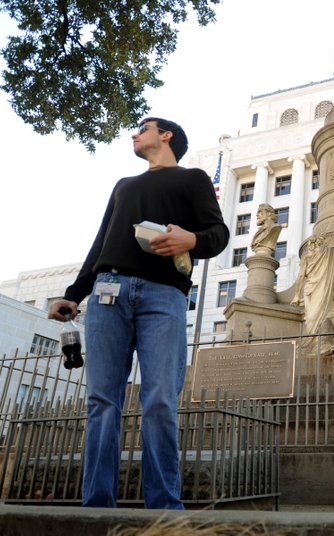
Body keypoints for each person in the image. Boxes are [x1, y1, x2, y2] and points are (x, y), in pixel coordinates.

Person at [48, 117, 230, 509]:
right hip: (107, 291)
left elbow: (219, 234)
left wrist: (192, 239)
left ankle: (164, 508)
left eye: (143, 127)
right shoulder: (124, 186)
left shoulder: (193, 179)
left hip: (164, 297)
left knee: (160, 398)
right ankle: (96, 507)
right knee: (101, 399)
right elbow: (101, 242)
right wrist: (72, 294)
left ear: (165, 135)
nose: (134, 133)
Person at [291, 235, 334, 355]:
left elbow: (300, 276)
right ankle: (315, 344)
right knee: (321, 315)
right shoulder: (329, 252)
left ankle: (320, 343)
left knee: (313, 317)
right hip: (323, 288)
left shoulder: (311, 255)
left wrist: (296, 295)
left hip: (312, 289)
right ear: (322, 242)